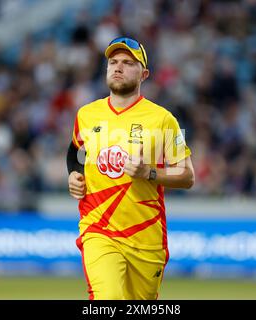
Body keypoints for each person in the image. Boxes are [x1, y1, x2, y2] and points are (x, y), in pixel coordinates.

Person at [67, 36, 195, 300]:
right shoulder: (86, 114)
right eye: (113, 62)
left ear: (144, 73)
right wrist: (73, 174)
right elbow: (74, 151)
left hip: (145, 237)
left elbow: (187, 175)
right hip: (98, 229)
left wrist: (148, 172)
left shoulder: (164, 119)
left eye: (128, 63)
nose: (118, 67)